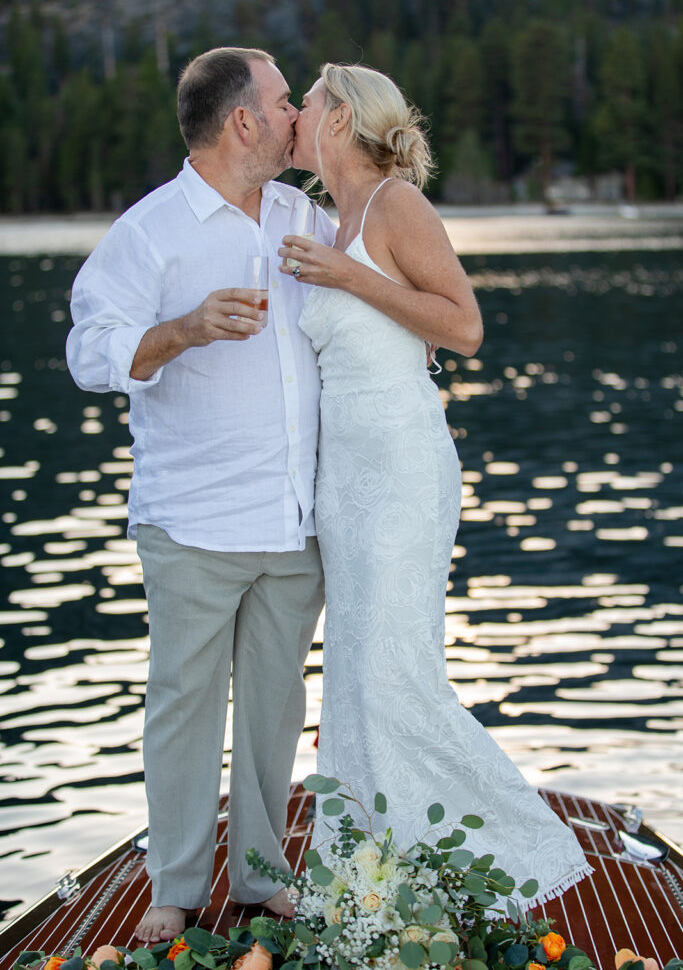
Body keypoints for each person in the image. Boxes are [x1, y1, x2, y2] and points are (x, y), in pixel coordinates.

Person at [279, 63, 593, 909]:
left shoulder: (392, 205)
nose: (290, 117)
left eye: (300, 105)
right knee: (351, 673)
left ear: (338, 120)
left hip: (400, 466)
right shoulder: (328, 214)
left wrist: (350, 281)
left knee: (393, 671)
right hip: (342, 476)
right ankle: (374, 868)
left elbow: (463, 327)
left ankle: (505, 854)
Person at [66, 47, 336, 945]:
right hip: (191, 519)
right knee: (182, 705)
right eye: (285, 99)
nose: (297, 111)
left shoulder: (303, 214)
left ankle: (262, 877)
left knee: (275, 706)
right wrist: (181, 330)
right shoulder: (151, 230)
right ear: (243, 122)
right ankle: (175, 884)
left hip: (294, 518)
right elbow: (87, 350)